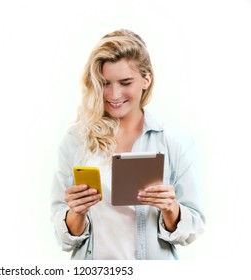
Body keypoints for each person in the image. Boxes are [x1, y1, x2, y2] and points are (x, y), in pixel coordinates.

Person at [51, 29, 205, 260]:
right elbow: (63, 236)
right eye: (105, 83)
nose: (114, 94)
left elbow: (194, 227)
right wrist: (76, 212)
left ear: (146, 79)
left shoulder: (170, 141)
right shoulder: (76, 140)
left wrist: (170, 207)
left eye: (125, 82)